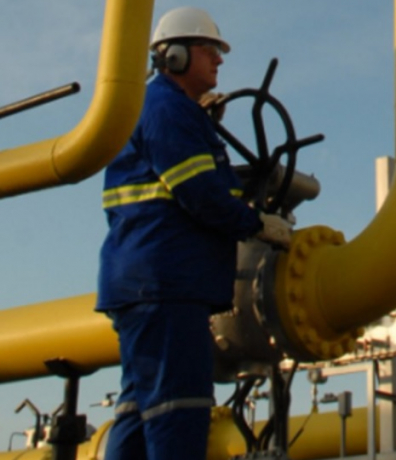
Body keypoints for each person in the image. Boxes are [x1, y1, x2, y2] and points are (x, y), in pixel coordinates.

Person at [95, 7, 291, 460]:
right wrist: (258, 224)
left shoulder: (170, 111)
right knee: (178, 411)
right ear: (176, 56)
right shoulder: (167, 110)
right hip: (168, 284)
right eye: (209, 50)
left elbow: (203, 184)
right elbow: (201, 193)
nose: (219, 60)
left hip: (144, 284)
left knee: (138, 413)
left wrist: (204, 126)